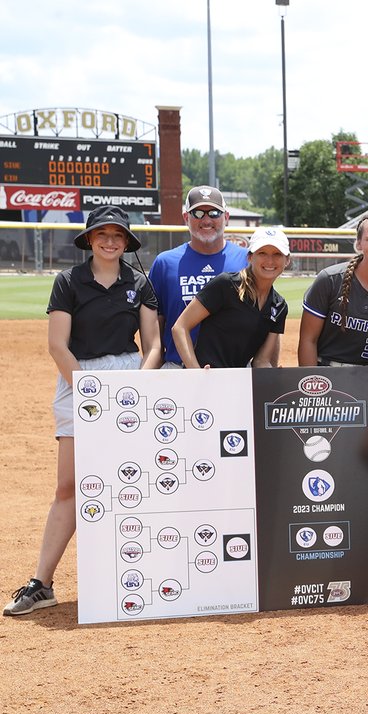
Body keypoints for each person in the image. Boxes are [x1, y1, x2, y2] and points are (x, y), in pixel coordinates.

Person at [6, 206, 161, 616]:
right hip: (79, 380)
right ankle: (43, 583)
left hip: (127, 378)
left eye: (118, 236)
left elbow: (154, 346)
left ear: (127, 242)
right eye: (102, 235)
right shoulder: (68, 281)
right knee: (68, 486)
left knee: (132, 480)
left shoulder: (139, 282)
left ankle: (144, 575)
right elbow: (58, 345)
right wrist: (91, 393)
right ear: (90, 239)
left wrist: (134, 387)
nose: (110, 242)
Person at [298, 214, 368, 403]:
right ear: (358, 244)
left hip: (366, 380)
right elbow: (308, 340)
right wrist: (312, 390)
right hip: (324, 376)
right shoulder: (330, 280)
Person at [149, 185, 248, 367]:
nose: (206, 220)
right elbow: (155, 327)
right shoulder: (165, 263)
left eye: (214, 213)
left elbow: (265, 318)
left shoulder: (246, 259)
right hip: (179, 369)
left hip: (234, 370)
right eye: (198, 213)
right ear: (186, 217)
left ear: (226, 217)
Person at [171, 227, 290, 369]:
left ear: (287, 260)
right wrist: (196, 372)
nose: (270, 260)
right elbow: (180, 327)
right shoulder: (226, 284)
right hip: (204, 377)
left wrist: (272, 376)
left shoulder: (279, 306)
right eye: (262, 253)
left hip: (237, 382)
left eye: (277, 254)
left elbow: (261, 361)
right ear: (250, 257)